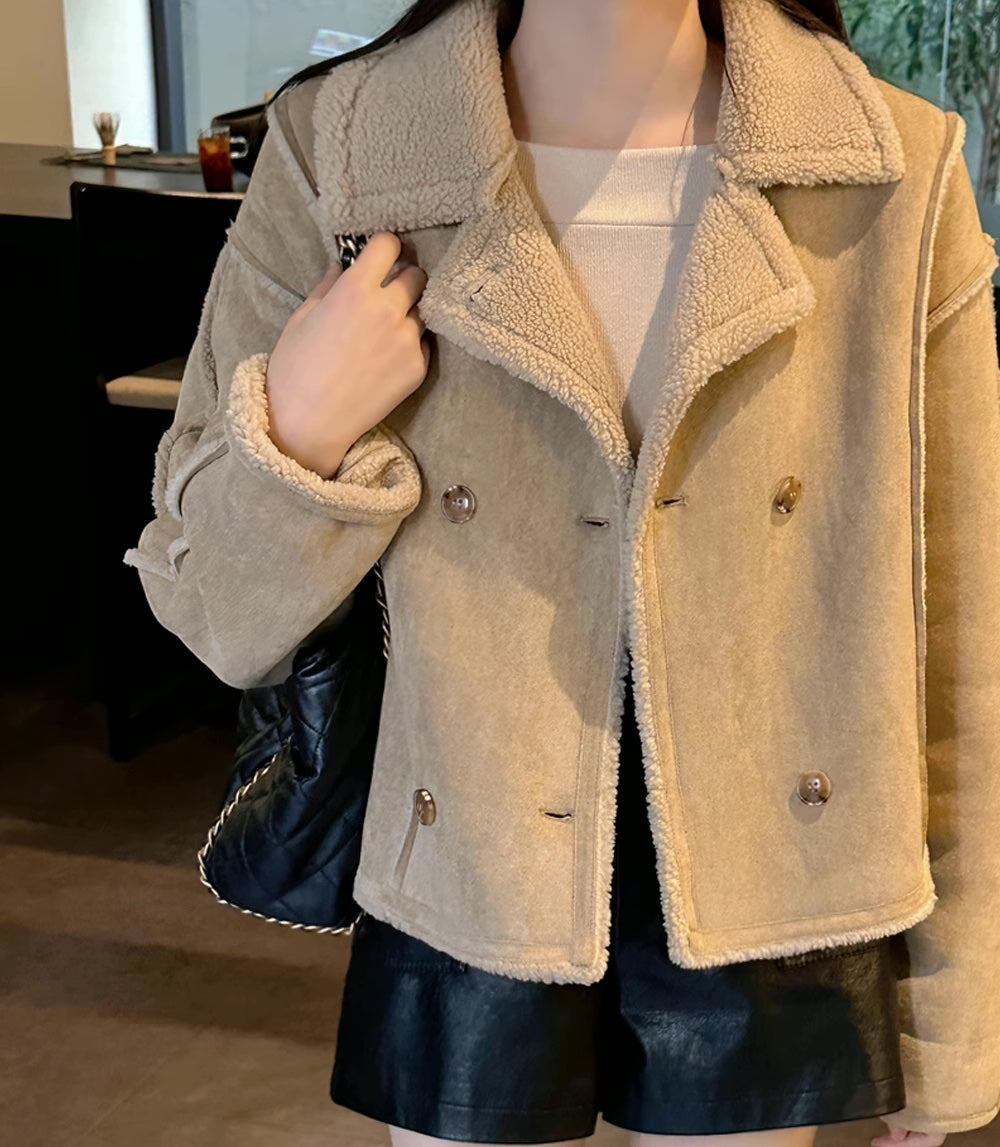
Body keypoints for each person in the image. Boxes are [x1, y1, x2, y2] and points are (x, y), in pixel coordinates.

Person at [123, 0, 1000, 1144]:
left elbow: (957, 641)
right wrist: (300, 428)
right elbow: (204, 607)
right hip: (468, 887)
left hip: (779, 892)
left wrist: (945, 1033)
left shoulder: (889, 172)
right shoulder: (341, 151)